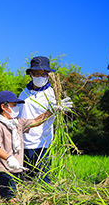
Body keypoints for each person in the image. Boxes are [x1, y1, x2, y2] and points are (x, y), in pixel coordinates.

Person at [0, 91, 54, 203]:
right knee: (12, 199)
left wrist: (51, 111)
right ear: (4, 107)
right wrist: (8, 158)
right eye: (14, 105)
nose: (17, 108)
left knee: (14, 198)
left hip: (14, 170)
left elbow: (36, 121)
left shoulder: (17, 123)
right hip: (1, 170)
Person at [18, 56, 71, 184]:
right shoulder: (24, 94)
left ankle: (45, 202)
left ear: (48, 75)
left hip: (42, 143)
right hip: (23, 142)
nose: (40, 77)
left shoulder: (51, 93)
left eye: (43, 74)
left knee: (42, 179)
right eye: (36, 73)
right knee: (25, 180)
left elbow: (57, 113)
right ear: (30, 74)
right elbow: (19, 118)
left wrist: (58, 110)